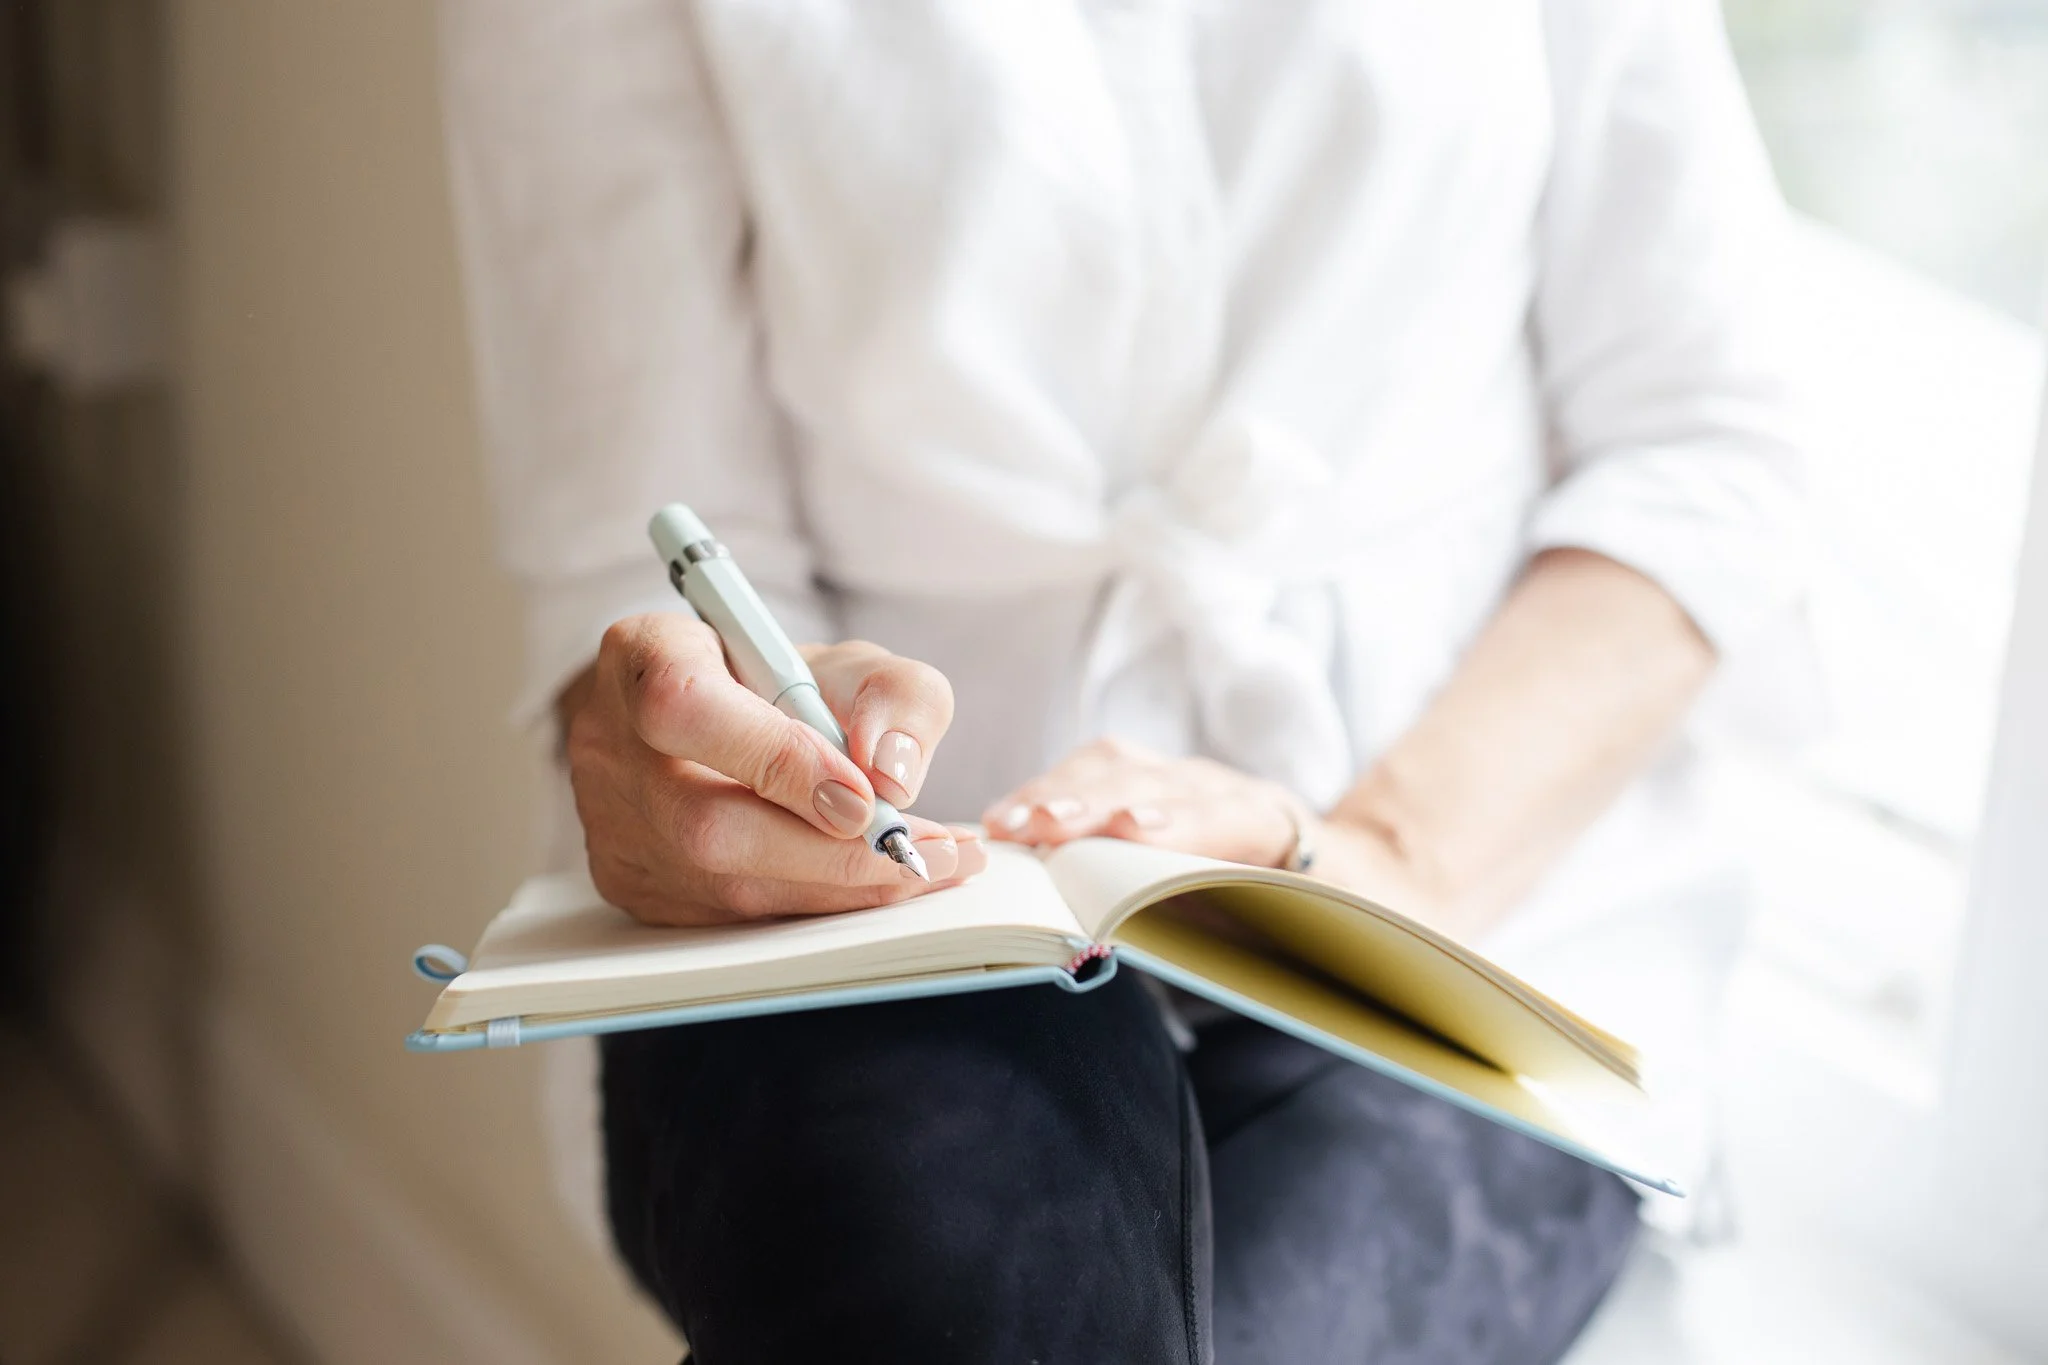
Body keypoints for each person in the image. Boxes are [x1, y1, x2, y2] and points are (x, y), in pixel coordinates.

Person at [438, 2, 1812, 1361]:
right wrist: (718, 749)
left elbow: (1704, 444)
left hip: (1469, 902)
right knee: (954, 1272)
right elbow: (648, 536)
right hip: (889, 920)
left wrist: (1376, 858)